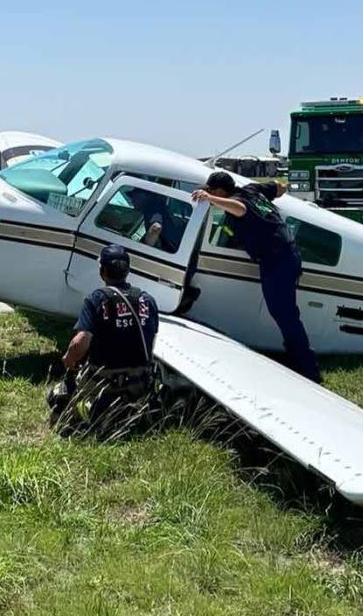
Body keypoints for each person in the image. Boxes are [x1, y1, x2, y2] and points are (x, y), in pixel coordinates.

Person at [191, 171, 322, 382]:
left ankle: (307, 369)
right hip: (287, 254)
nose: (209, 193)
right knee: (283, 313)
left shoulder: (237, 201)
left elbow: (240, 209)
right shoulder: (253, 190)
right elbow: (280, 187)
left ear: (221, 191)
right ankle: (298, 358)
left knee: (284, 313)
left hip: (277, 261)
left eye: (211, 190)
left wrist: (210, 199)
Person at [48, 245, 160, 431]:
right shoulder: (147, 300)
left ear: (102, 271)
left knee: (56, 395)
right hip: (139, 381)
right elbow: (152, 338)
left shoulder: (97, 299)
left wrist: (69, 359)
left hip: (102, 381)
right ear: (127, 271)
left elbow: (80, 342)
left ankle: (67, 423)